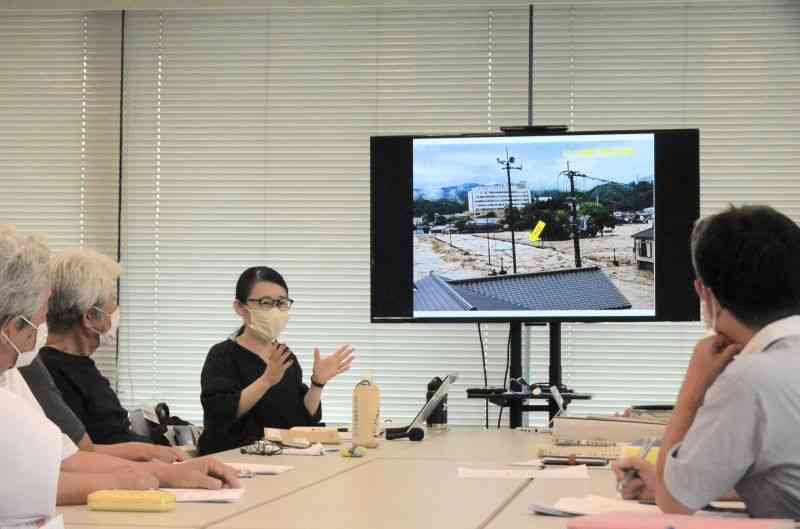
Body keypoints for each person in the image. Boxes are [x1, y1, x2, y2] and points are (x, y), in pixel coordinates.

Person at [0, 226, 239, 519]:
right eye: (38, 320)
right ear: (12, 326)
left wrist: (165, 473)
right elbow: (24, 485)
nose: (41, 328)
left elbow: (66, 458)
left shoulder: (10, 371)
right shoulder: (27, 365)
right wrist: (124, 480)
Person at [613, 205, 800, 519]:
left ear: (704, 292)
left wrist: (694, 386)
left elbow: (674, 503)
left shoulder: (750, 378)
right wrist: (668, 483)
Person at [198, 266, 354, 455]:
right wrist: (266, 380)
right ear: (240, 307)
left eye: (281, 303)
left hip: (282, 459)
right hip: (233, 460)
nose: (275, 310)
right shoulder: (222, 355)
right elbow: (220, 414)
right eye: (265, 303)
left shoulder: (285, 356)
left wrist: (317, 383)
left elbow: (301, 422)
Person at [38, 247, 150, 445]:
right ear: (89, 317)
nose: (116, 309)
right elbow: (93, 449)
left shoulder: (78, 365)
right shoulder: (49, 375)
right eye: (112, 299)